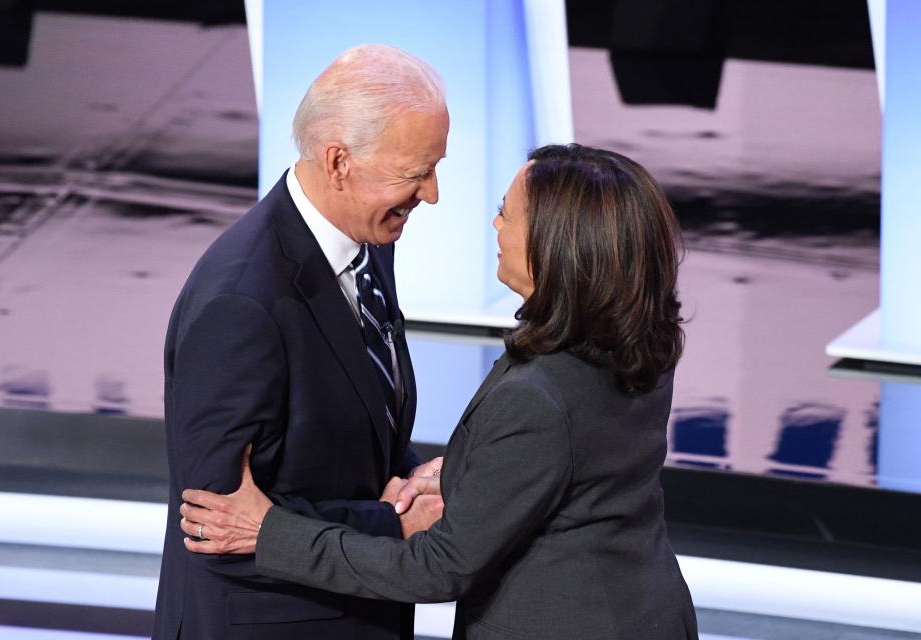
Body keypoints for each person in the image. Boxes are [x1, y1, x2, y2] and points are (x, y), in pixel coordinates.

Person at [179, 144, 699, 639]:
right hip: (644, 609)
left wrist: (268, 532)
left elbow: (439, 568)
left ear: (557, 246)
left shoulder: (537, 399)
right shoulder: (635, 337)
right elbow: (576, 464)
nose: (495, 224)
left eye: (507, 214)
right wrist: (465, 471)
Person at [152, 44, 449, 640]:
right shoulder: (241, 304)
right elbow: (214, 523)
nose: (433, 194)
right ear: (339, 161)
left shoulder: (367, 240)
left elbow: (360, 430)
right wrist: (391, 525)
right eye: (416, 173)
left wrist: (414, 480)